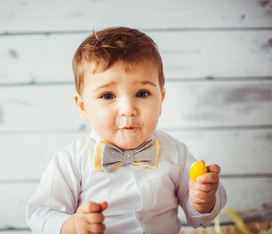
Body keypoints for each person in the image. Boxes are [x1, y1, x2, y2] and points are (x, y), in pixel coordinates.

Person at [26, 27, 226, 234]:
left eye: (142, 93)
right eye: (108, 96)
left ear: (161, 100)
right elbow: (41, 213)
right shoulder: (72, 160)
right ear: (83, 107)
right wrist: (72, 226)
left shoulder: (175, 152)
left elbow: (199, 216)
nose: (128, 110)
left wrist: (203, 198)